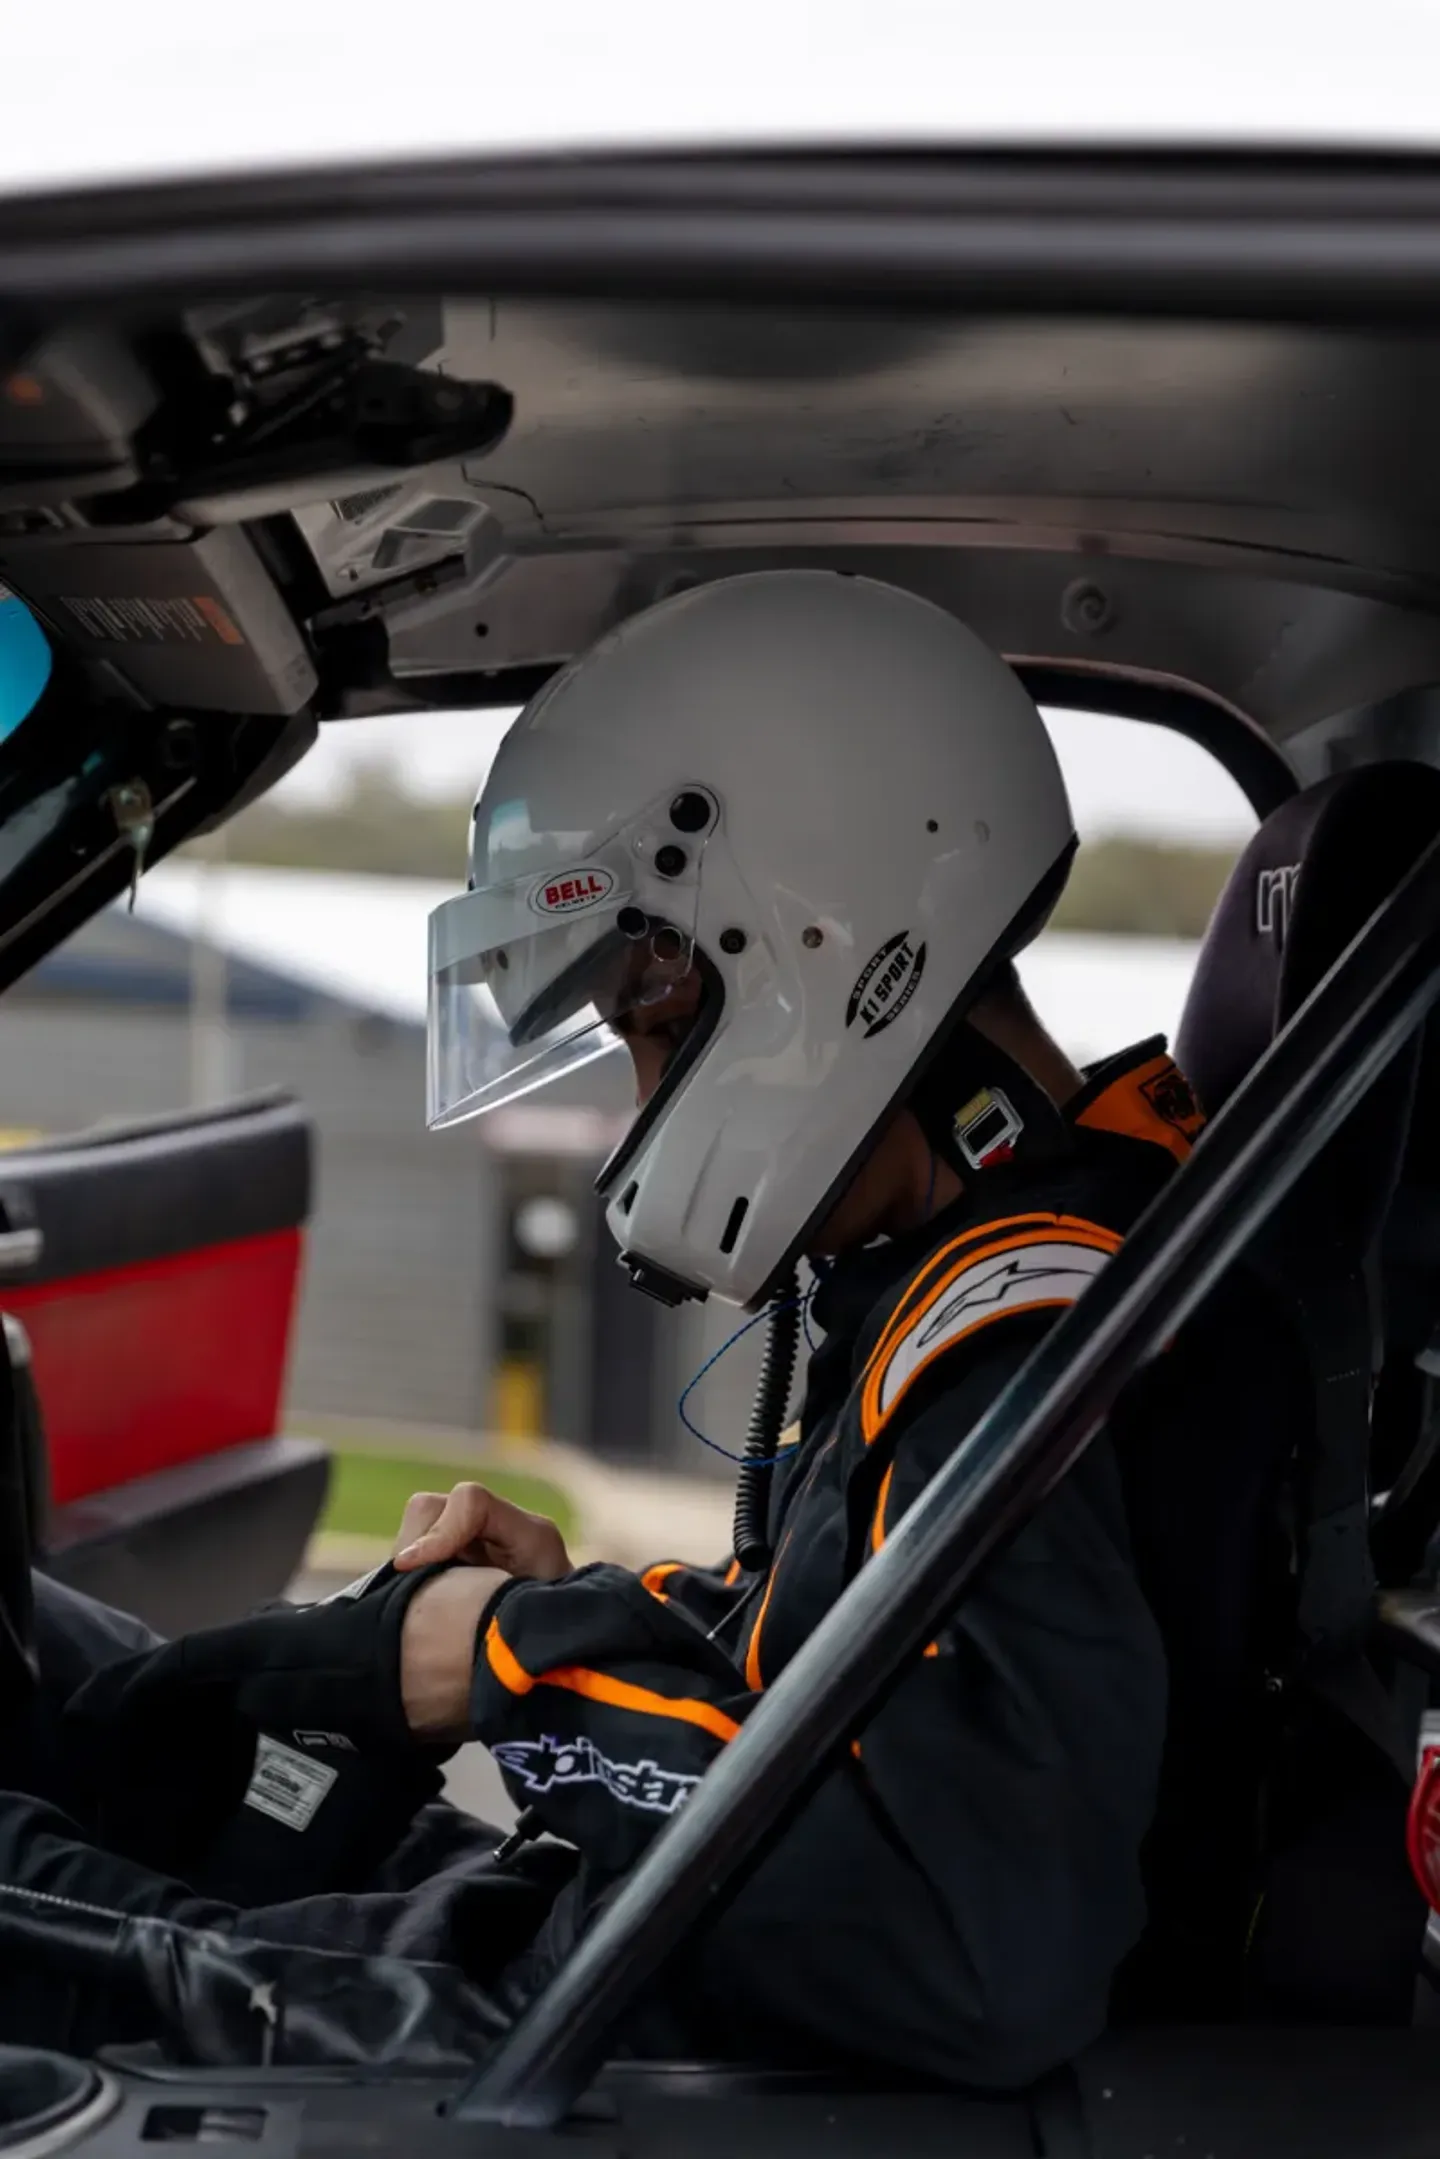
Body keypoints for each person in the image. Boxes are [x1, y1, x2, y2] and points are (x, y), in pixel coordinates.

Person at [1, 570, 1187, 2086]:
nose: (638, 1109)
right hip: (644, 1958)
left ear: (820, 946)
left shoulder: (1023, 1339)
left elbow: (969, 1949)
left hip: (656, 2045)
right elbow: (846, 1680)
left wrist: (520, 1662)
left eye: (650, 1029)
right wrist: (573, 1615)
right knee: (95, 1710)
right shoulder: (995, 1274)